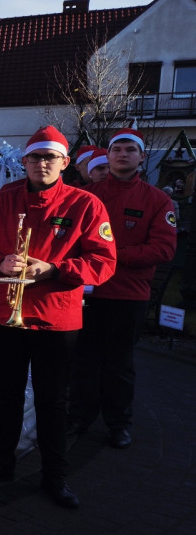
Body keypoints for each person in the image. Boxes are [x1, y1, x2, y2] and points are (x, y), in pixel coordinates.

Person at [0, 126, 116, 509]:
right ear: (24, 162)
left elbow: (103, 262)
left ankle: (54, 475)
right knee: (6, 395)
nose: (41, 164)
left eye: (50, 158)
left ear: (65, 163)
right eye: (34, 157)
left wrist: (56, 269)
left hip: (55, 319)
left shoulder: (86, 204)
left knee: (53, 400)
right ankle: (2, 462)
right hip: (4, 315)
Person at [70, 128, 177, 449]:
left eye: (130, 150)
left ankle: (118, 424)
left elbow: (163, 249)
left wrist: (111, 256)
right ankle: (79, 417)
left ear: (142, 157)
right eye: (117, 149)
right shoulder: (85, 196)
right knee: (84, 360)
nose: (122, 154)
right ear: (108, 154)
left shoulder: (158, 200)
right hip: (86, 293)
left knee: (119, 363)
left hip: (128, 296)